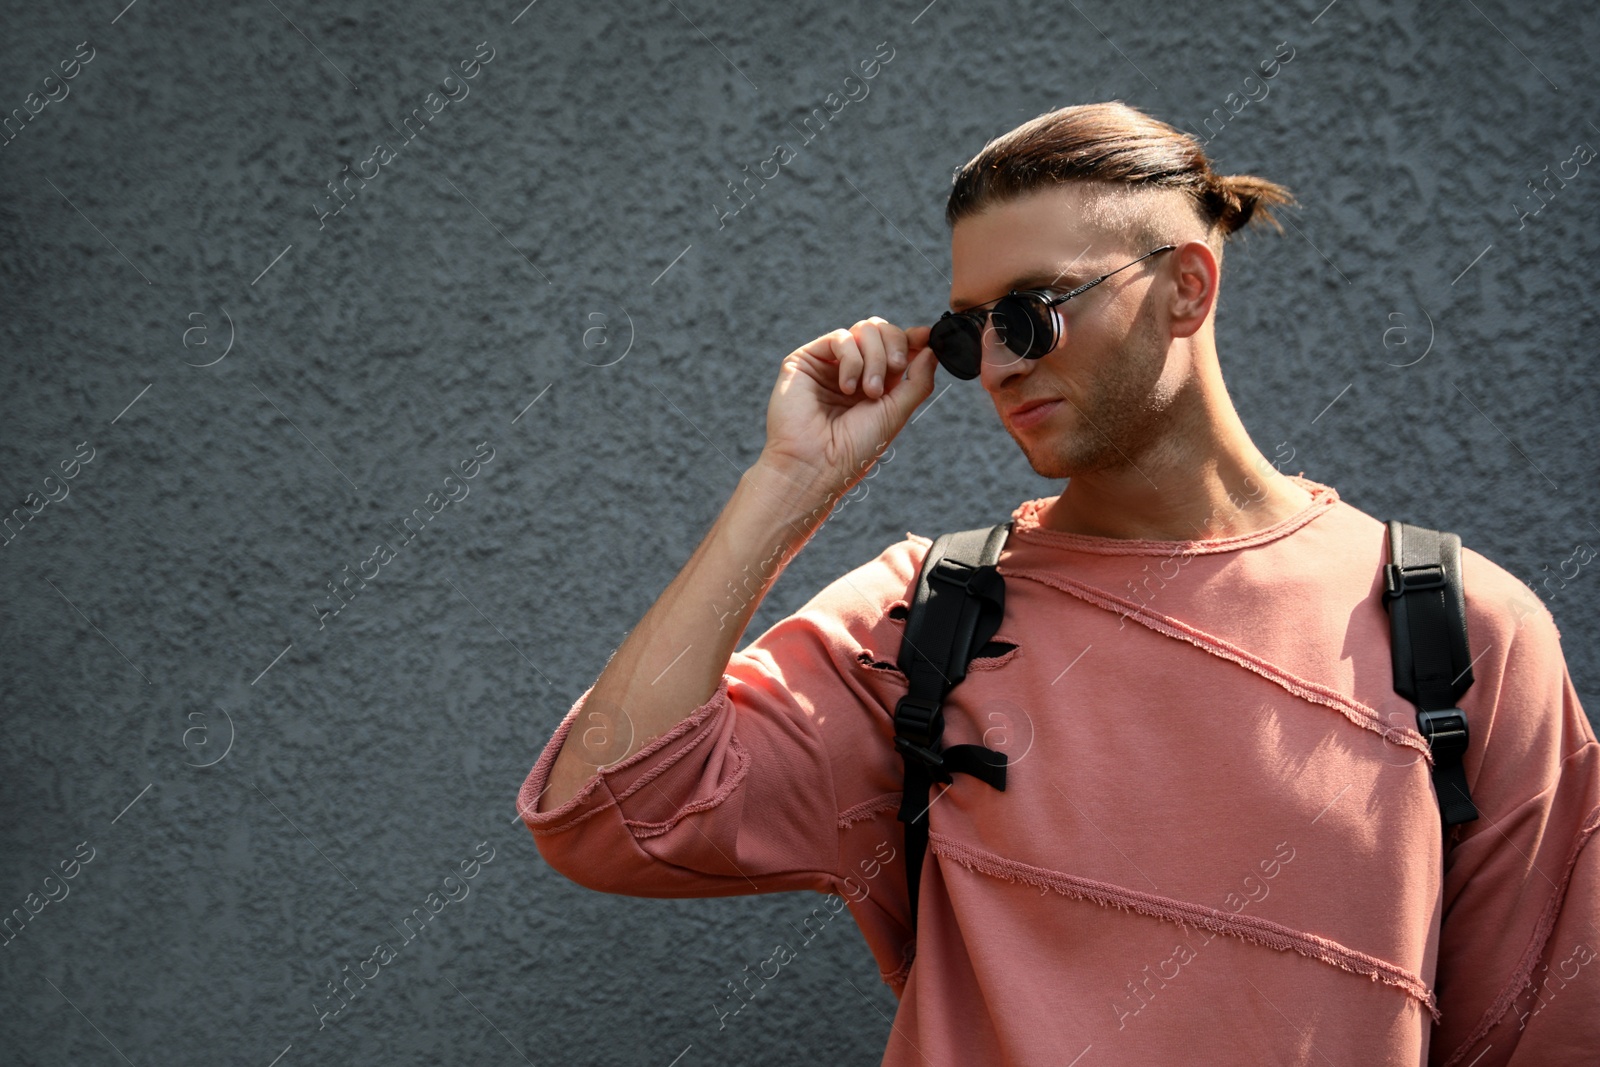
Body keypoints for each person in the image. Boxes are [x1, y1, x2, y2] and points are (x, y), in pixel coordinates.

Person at [517, 101, 1600, 1065]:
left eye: (1030, 312)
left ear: (1186, 285)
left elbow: (1542, 1029)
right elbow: (607, 807)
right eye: (963, 332)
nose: (996, 363)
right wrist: (789, 483)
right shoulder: (926, 610)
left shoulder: (1454, 624)